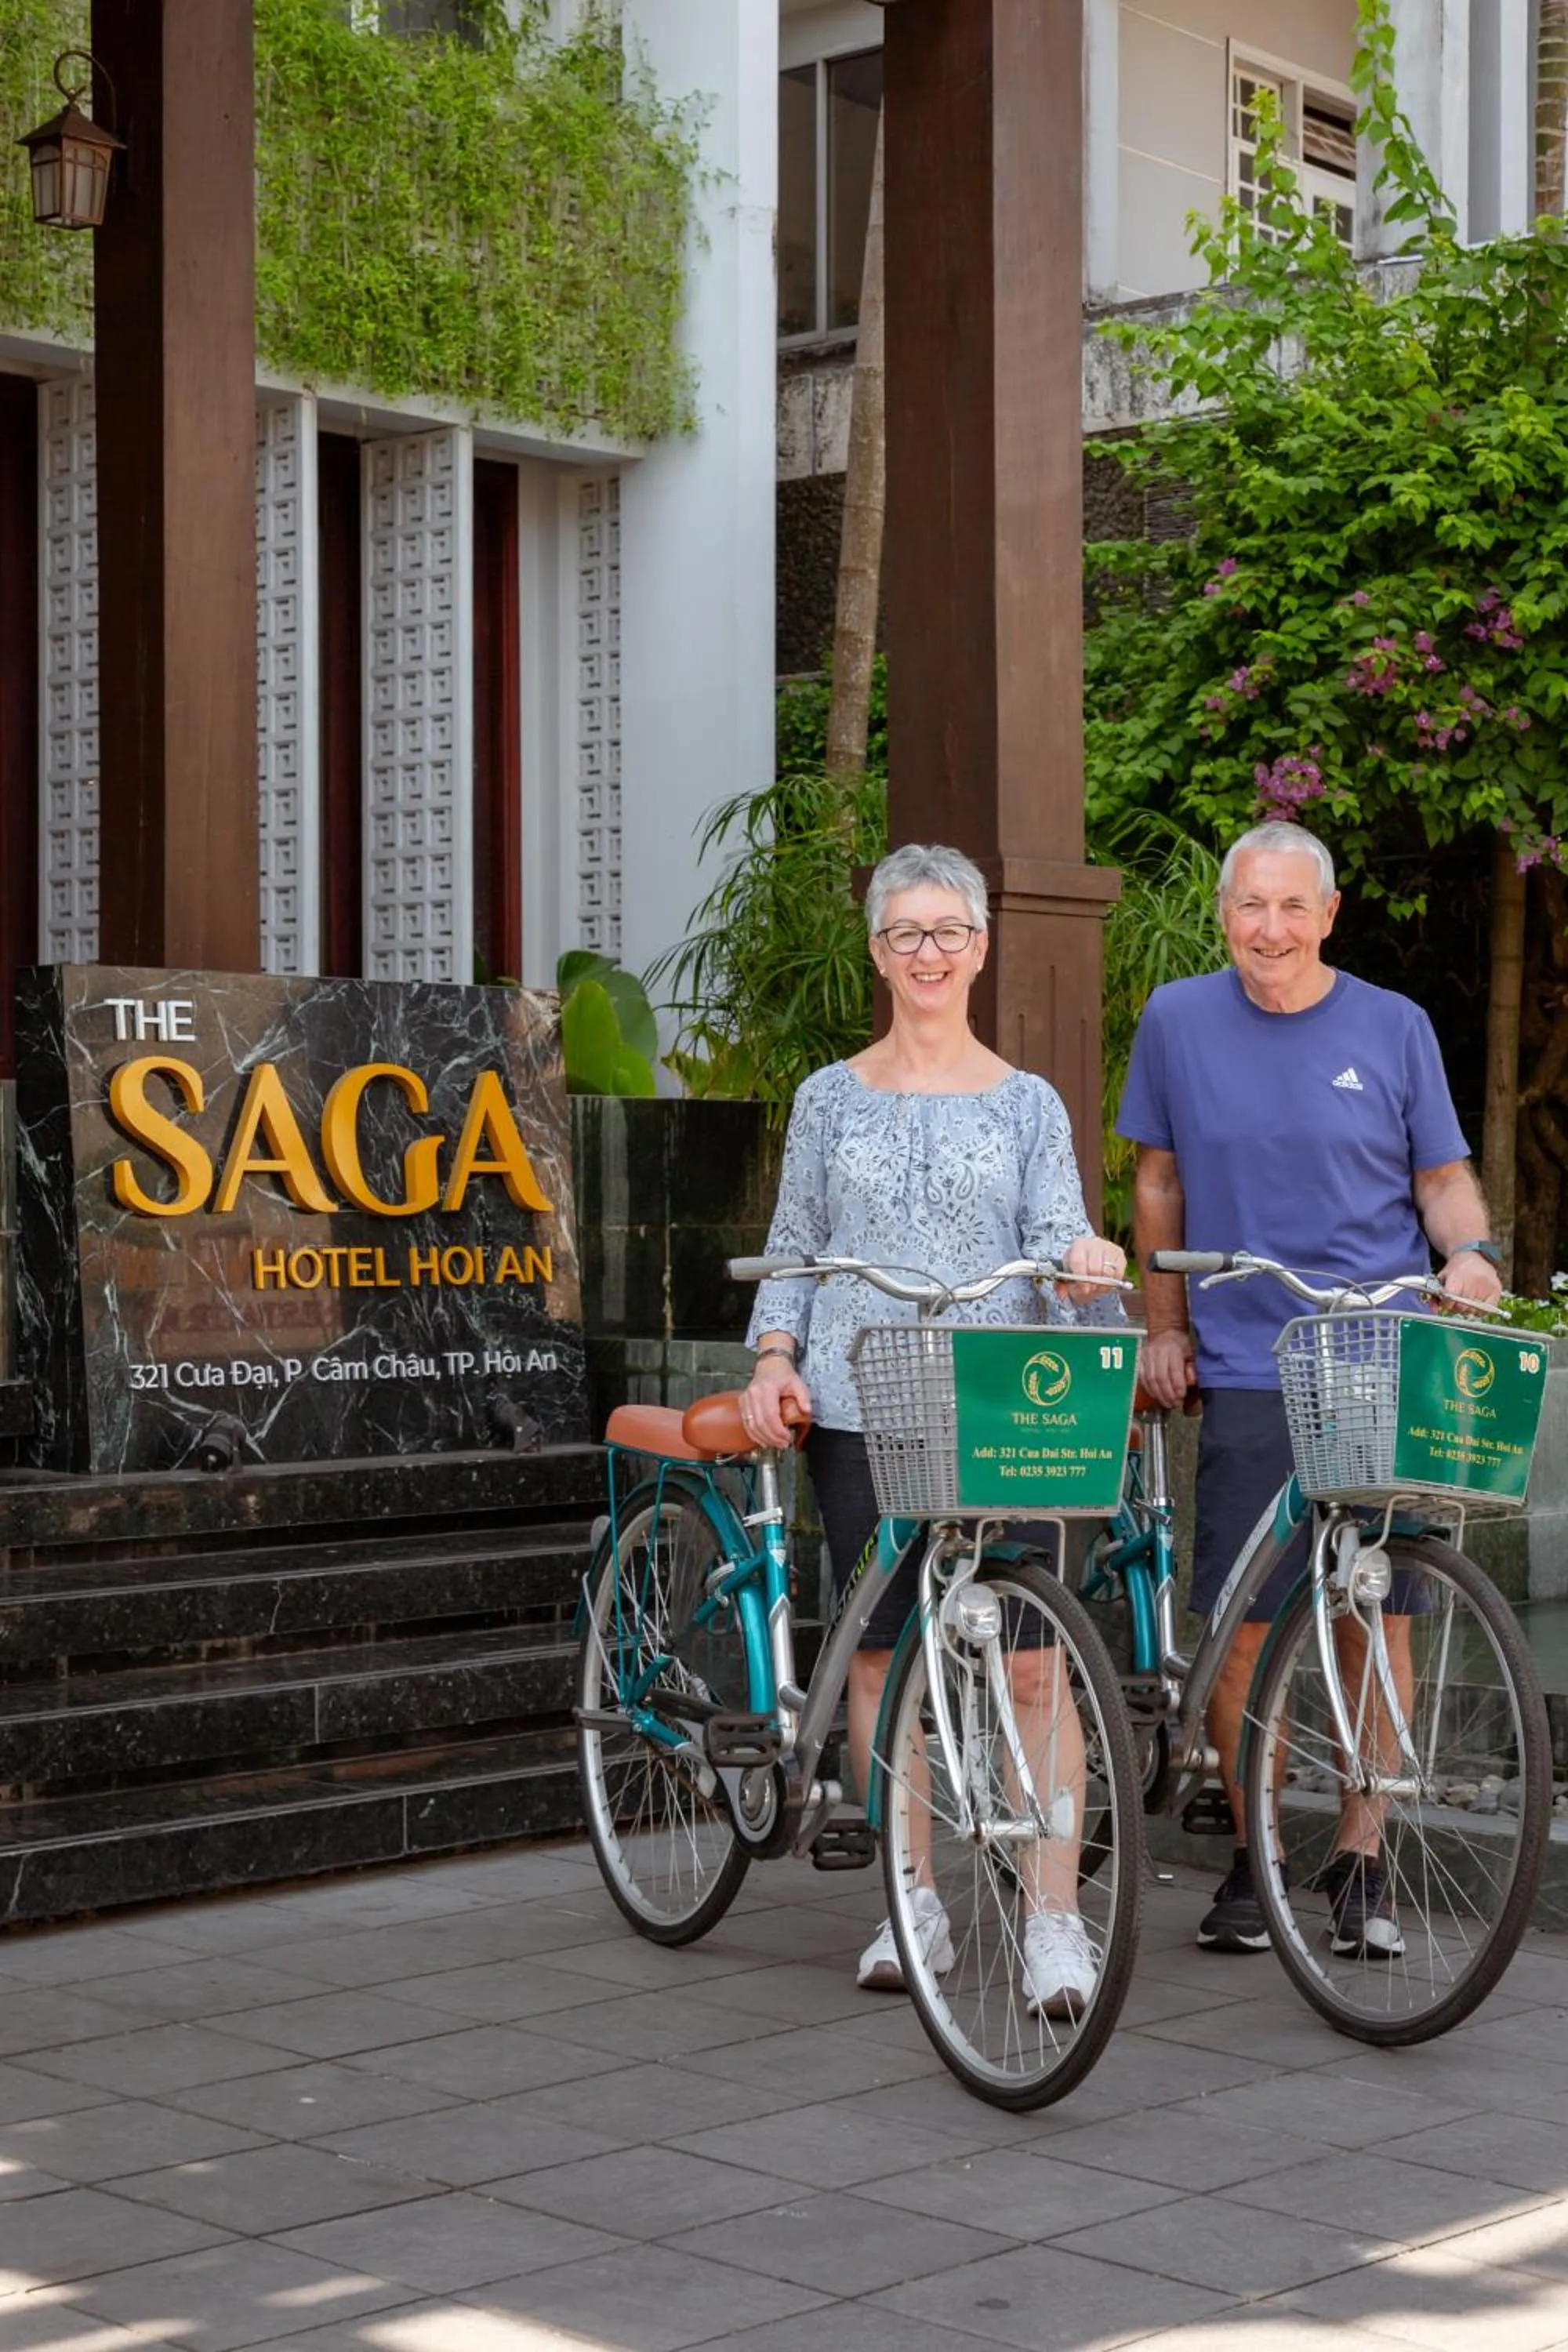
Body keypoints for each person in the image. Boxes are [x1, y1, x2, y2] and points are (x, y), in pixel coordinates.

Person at [738, 841, 1127, 2015]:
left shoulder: (1026, 1102)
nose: (928, 953)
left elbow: (1065, 1242)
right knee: (878, 1659)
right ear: (876, 950)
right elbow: (795, 1248)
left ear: (980, 946)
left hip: (1006, 1410)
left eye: (948, 931)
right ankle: (909, 1903)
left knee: (1032, 1664)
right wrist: (771, 1358)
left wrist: (1086, 1265)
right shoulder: (824, 1096)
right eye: (906, 933)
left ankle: (1053, 1915)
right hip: (861, 1407)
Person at [1116, 819, 1502, 1956]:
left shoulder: (1394, 1025)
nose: (1270, 930)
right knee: (1246, 1627)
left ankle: (1363, 1856)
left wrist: (1468, 1255)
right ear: (1223, 914)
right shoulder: (1178, 1020)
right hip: (1245, 1358)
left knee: (1377, 1614)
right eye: (1251, 907)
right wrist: (1164, 1324)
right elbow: (1157, 1178)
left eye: (1294, 908)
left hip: (1381, 1356)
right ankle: (1254, 1860)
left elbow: (1441, 1178)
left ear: (1328, 915)